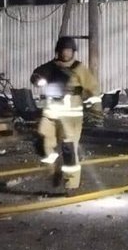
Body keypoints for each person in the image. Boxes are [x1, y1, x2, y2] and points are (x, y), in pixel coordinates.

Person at [30, 36, 101, 190]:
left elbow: (93, 88)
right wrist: (37, 79)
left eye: (69, 50)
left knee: (69, 149)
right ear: (58, 51)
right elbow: (36, 75)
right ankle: (53, 170)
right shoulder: (51, 67)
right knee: (42, 142)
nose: (66, 53)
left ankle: (71, 184)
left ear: (73, 52)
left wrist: (97, 110)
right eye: (63, 50)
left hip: (71, 117)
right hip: (51, 114)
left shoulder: (79, 68)